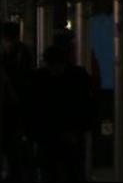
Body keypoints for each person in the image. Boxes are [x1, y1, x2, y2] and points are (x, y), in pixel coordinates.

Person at [29, 44, 95, 182]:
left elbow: (34, 108)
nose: (52, 70)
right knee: (67, 171)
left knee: (66, 171)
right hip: (60, 134)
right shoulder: (77, 76)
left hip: (57, 134)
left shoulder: (40, 78)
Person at [1, 22, 36, 181]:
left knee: (16, 151)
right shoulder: (24, 53)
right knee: (16, 151)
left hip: (13, 111)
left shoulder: (20, 54)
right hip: (17, 110)